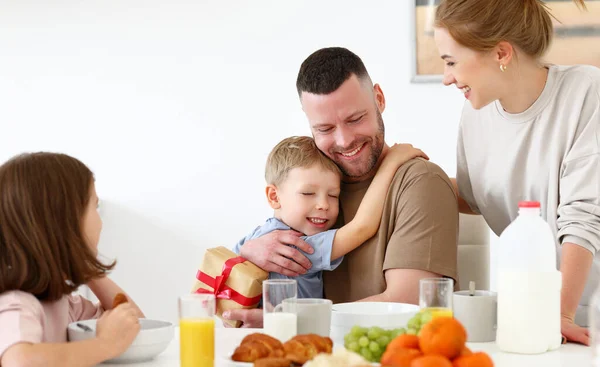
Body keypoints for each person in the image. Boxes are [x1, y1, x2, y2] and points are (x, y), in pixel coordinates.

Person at [222, 47, 459, 327]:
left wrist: (291, 320)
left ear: (379, 99)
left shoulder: (420, 183)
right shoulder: (311, 185)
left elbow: (407, 305)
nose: (344, 141)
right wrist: (250, 249)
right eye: (324, 129)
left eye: (355, 119)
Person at [433, 0, 600, 345]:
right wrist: (403, 169)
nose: (446, 78)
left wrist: (560, 314)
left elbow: (584, 217)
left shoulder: (586, 94)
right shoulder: (475, 116)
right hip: (533, 316)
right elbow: (474, 196)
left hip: (584, 315)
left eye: (451, 61)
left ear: (502, 53)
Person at [232, 136, 428, 298]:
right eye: (308, 193)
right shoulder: (297, 246)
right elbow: (362, 227)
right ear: (274, 196)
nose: (324, 205)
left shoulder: (256, 238)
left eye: (333, 195)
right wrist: (392, 162)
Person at [0, 152, 144, 366]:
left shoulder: (65, 304)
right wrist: (104, 344)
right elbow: (19, 361)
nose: (101, 222)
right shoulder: (17, 304)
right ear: (65, 223)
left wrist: (89, 271)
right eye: (94, 207)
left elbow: (135, 326)